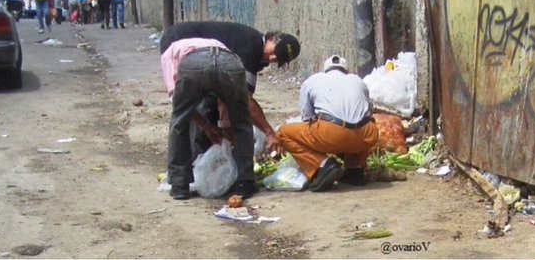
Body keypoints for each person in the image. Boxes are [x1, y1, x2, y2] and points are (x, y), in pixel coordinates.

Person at [160, 21, 301, 157]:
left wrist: (224, 128)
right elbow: (245, 100)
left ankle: (209, 158)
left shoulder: (257, 55)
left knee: (217, 106)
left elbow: (234, 98)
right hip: (179, 41)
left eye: (277, 59)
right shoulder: (251, 45)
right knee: (199, 106)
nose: (272, 58)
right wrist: (269, 132)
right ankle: (194, 161)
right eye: (275, 51)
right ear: (270, 39)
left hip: (207, 60)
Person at [161, 37, 256, 200]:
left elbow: (177, 102)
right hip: (230, 63)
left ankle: (179, 185)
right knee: (242, 123)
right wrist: (223, 125)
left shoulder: (168, 54)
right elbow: (226, 101)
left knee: (179, 123)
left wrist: (205, 125)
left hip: (194, 64)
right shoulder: (220, 44)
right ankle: (245, 182)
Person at [277, 54, 378, 192]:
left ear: (325, 70)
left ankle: (323, 165)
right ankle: (355, 169)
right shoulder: (358, 80)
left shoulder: (312, 81)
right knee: (362, 124)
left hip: (332, 134)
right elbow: (368, 110)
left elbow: (307, 117)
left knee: (283, 133)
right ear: (346, 71)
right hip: (366, 135)